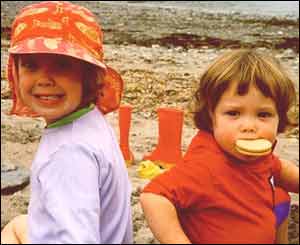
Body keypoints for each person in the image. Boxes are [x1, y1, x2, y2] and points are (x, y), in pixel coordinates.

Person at [1, 1, 132, 244]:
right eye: (31, 65)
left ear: (88, 76)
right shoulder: (90, 120)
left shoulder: (67, 154)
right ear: (16, 71)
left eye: (62, 65)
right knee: (17, 225)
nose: (44, 79)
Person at [140, 49, 299, 244]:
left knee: (281, 197)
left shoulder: (259, 157)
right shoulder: (205, 166)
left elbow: (279, 168)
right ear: (211, 116)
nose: (249, 126)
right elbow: (154, 196)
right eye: (233, 113)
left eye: (263, 115)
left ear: (279, 118)